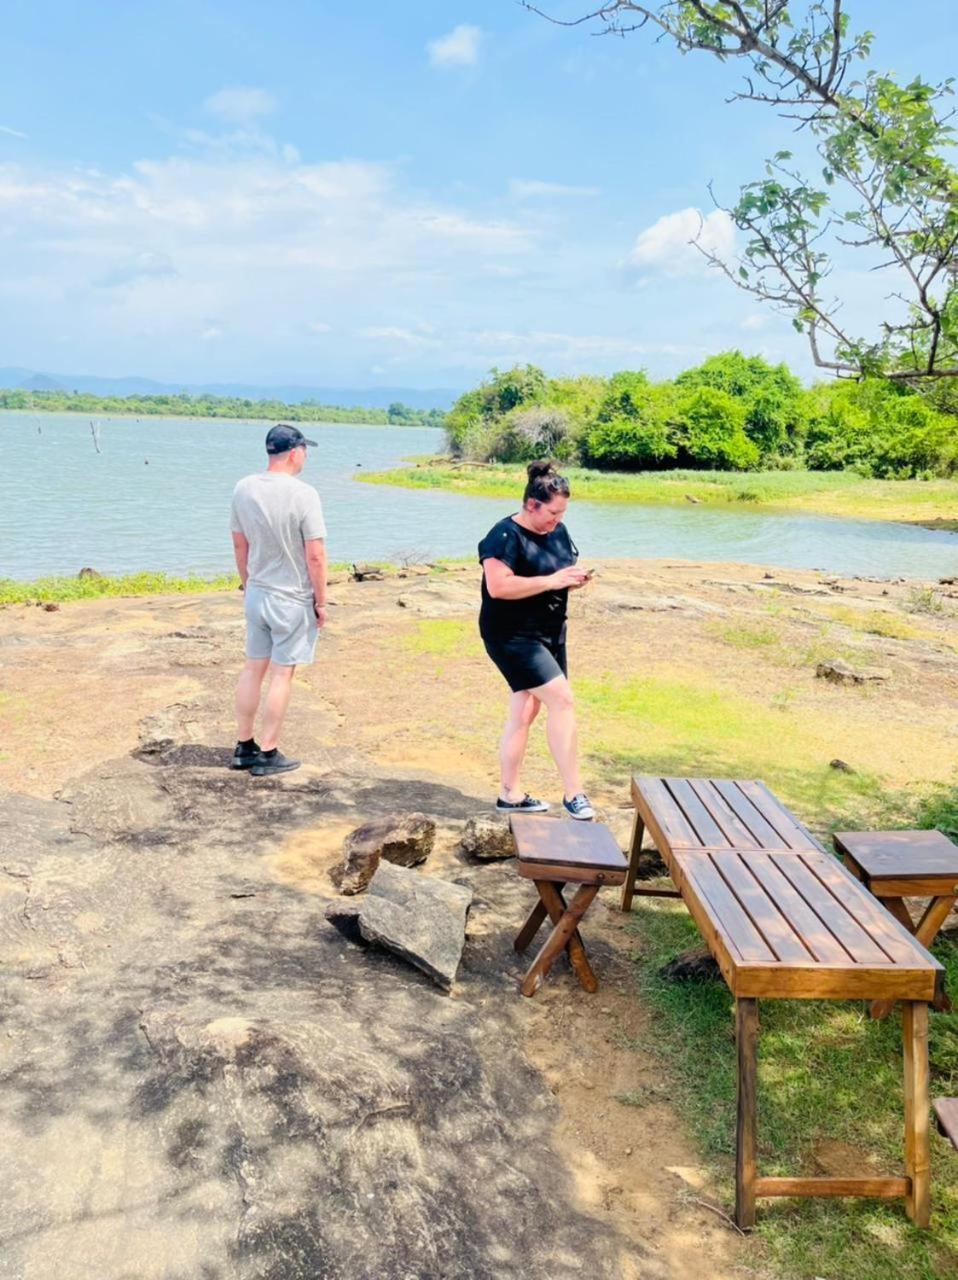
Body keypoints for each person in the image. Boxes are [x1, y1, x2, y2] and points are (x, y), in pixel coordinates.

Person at [477, 459, 594, 819]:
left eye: (562, 514)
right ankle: (574, 794)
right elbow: (498, 587)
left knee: (525, 709)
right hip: (512, 636)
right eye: (552, 513)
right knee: (563, 701)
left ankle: (509, 794)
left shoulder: (557, 530)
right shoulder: (503, 537)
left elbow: (557, 566)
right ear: (531, 504)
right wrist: (553, 581)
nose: (556, 521)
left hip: (550, 632)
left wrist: (572, 577)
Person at [229, 423, 328, 776]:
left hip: (257, 593)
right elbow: (314, 554)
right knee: (282, 675)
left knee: (253, 667)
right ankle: (268, 752)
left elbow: (240, 543)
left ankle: (244, 746)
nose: (305, 457)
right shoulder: (304, 494)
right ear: (296, 451)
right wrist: (321, 601)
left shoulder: (244, 488)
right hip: (291, 598)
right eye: (305, 451)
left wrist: (247, 583)